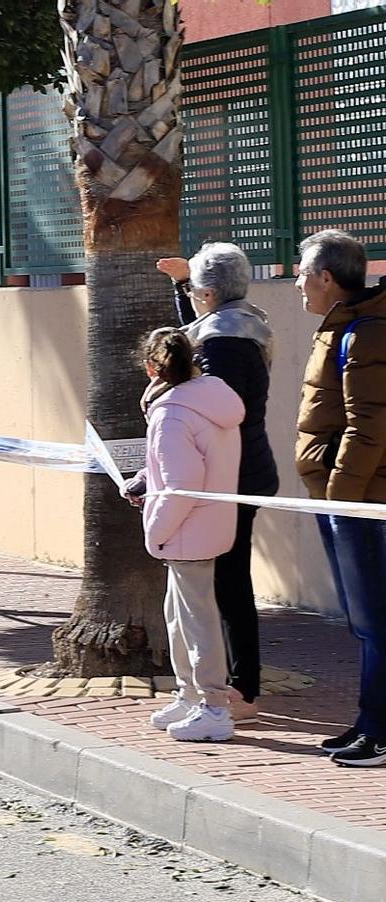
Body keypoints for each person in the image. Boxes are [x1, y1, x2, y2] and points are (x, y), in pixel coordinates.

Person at [157, 245, 277, 721]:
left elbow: (213, 403)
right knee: (226, 582)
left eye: (195, 291)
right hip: (241, 472)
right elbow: (200, 332)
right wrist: (183, 285)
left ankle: (242, 690)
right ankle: (232, 686)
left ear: (208, 293)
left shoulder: (225, 342)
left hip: (230, 478)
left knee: (228, 585)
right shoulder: (242, 323)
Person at [294, 228, 386, 767]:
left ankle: (379, 732)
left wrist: (340, 498)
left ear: (327, 278)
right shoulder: (343, 326)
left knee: (376, 622)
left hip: (359, 505)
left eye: (303, 274)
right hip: (342, 502)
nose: (300, 285)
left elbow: (368, 427)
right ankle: (368, 721)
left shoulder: (366, 333)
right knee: (365, 622)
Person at [127, 328, 244, 744]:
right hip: (208, 521)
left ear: (151, 368)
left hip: (187, 527)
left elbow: (181, 481)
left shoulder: (171, 413)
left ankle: (213, 706)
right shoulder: (211, 400)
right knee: (179, 615)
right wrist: (145, 481)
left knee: (196, 619)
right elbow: (176, 468)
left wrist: (156, 530)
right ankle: (190, 693)